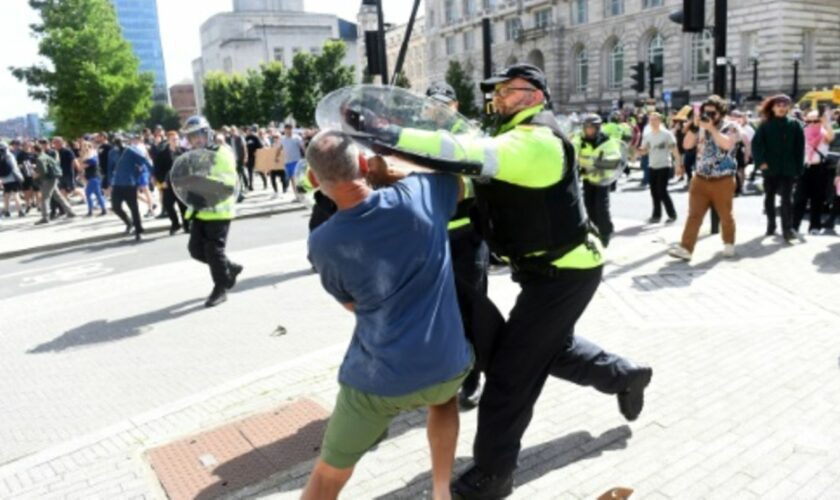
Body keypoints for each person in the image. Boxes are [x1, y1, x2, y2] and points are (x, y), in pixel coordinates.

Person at [358, 63, 652, 498]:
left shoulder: (534, 140)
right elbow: (474, 187)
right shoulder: (508, 138)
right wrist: (400, 181)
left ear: (533, 95)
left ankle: (494, 475)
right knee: (546, 349)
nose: (496, 97)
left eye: (506, 91)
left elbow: (461, 151)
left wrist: (387, 132)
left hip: (566, 274)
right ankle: (624, 375)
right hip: (546, 273)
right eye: (494, 91)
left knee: (511, 376)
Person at [301, 130, 473, 500]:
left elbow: (352, 305)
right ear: (364, 163)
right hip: (444, 363)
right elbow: (457, 183)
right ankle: (441, 490)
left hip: (376, 380)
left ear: (315, 180)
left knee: (327, 476)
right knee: (443, 400)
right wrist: (389, 173)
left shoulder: (322, 242)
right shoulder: (421, 195)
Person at [427, 81, 490, 409]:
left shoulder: (469, 136)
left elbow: (480, 181)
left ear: (455, 105)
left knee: (470, 312)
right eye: (430, 104)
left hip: (466, 238)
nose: (435, 110)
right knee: (439, 313)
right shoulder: (422, 135)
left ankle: (472, 379)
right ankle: (447, 372)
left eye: (442, 103)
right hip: (433, 240)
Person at [181, 115, 243, 308]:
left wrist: (201, 186)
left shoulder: (221, 152)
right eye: (192, 137)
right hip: (201, 210)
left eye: (199, 135)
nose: (196, 140)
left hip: (218, 210)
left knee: (213, 250)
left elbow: (225, 183)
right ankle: (228, 268)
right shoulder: (196, 155)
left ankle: (221, 288)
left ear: (207, 133)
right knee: (195, 250)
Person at [669, 95, 739, 261]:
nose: (708, 116)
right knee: (694, 215)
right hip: (700, 178)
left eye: (712, 113)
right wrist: (694, 127)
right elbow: (686, 145)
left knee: (725, 214)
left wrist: (712, 129)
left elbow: (727, 144)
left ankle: (729, 242)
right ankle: (686, 248)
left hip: (723, 179)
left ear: (721, 113)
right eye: (705, 112)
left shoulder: (731, 126)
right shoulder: (699, 127)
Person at [751, 94, 806, 241]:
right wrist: (761, 162)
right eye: (778, 106)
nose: (781, 108)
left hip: (788, 168)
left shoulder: (795, 125)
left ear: (788, 108)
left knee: (787, 199)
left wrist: (799, 168)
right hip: (770, 168)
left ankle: (787, 230)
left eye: (784, 105)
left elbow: (800, 148)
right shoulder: (765, 125)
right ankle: (771, 224)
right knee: (769, 197)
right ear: (773, 108)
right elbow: (756, 145)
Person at [572, 114, 622, 246]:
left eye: (591, 128)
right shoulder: (580, 140)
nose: (588, 130)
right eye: (586, 127)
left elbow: (615, 160)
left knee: (601, 208)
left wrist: (598, 164)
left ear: (597, 128)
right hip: (588, 179)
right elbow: (573, 148)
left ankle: (605, 233)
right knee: (589, 207)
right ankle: (595, 231)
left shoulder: (607, 141)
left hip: (602, 180)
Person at [793, 109, 836, 235]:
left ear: (821, 121)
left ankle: (814, 226)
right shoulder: (802, 133)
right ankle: (794, 226)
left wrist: (826, 122)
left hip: (819, 169)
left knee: (817, 199)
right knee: (799, 198)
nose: (812, 123)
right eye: (808, 121)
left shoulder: (824, 134)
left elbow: (831, 136)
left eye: (816, 121)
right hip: (804, 168)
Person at [640, 112, 681, 224]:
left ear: (660, 121)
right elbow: (645, 150)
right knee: (654, 192)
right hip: (652, 166)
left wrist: (678, 165)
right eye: (651, 120)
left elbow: (674, 150)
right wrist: (638, 151)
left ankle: (672, 214)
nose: (653, 122)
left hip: (664, 165)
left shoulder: (667, 134)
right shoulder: (647, 136)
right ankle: (656, 215)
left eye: (655, 119)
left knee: (662, 191)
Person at [110, 135, 151, 240]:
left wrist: (149, 174)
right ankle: (129, 222)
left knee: (134, 208)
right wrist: (107, 183)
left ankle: (139, 230)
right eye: (117, 141)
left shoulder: (131, 151)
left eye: (121, 141)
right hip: (117, 184)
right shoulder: (112, 153)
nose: (119, 143)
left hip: (129, 184)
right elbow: (109, 168)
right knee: (115, 207)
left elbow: (144, 162)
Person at [32, 142, 75, 224]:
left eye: (32, 150)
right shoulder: (46, 156)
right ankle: (70, 212)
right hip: (54, 178)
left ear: (35, 150)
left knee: (45, 198)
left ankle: (45, 217)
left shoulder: (39, 158)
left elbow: (43, 172)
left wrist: (36, 175)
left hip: (48, 179)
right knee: (58, 196)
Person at [156, 131, 189, 235]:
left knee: (183, 206)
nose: (176, 141)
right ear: (168, 140)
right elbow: (157, 170)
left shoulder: (184, 151)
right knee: (168, 205)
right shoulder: (162, 154)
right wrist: (161, 182)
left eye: (177, 139)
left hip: (182, 184)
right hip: (168, 184)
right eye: (173, 139)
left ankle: (187, 225)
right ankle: (175, 224)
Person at [79, 141, 107, 216]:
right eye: (83, 146)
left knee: (88, 193)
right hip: (92, 177)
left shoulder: (92, 155)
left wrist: (83, 162)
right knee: (97, 194)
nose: (84, 147)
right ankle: (103, 209)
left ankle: (91, 211)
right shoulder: (87, 156)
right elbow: (81, 167)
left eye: (86, 146)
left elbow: (86, 165)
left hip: (94, 176)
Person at [277, 123, 306, 195]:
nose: (288, 131)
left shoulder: (297, 138)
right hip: (287, 162)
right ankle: (296, 195)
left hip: (296, 161)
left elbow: (303, 147)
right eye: (287, 129)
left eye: (290, 129)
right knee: (292, 179)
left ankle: (301, 194)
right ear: (285, 130)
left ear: (291, 129)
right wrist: (276, 157)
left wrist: (306, 156)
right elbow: (279, 149)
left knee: (296, 178)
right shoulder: (282, 139)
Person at [1, 142, 25, 218]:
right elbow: (14, 167)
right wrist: (20, 176)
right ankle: (20, 211)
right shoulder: (10, 155)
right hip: (13, 177)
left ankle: (6, 211)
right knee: (16, 194)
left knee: (6, 195)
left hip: (5, 178)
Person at [245, 125, 266, 190]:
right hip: (249, 157)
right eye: (248, 131)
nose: (249, 132)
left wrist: (256, 152)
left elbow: (261, 146)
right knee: (250, 172)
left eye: (250, 131)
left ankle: (265, 182)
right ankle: (250, 185)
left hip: (256, 157)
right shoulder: (246, 138)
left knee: (260, 171)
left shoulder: (255, 138)